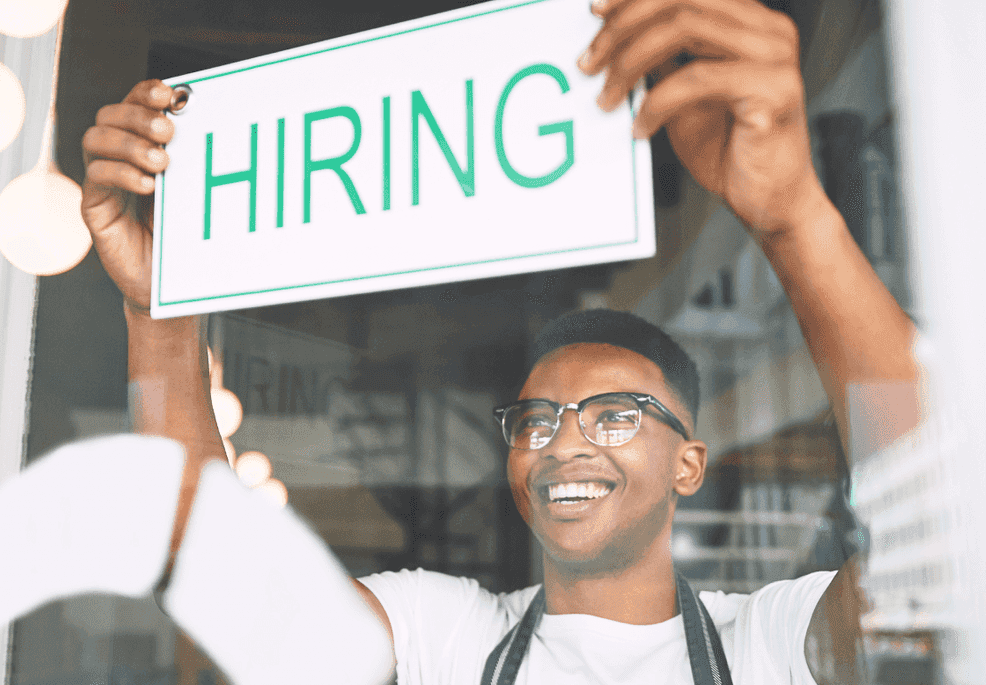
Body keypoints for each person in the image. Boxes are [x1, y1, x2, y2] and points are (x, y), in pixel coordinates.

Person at [78, 0, 918, 682]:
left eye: (617, 415)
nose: (564, 444)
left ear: (688, 463)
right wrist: (162, 314)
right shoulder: (447, 634)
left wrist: (794, 218)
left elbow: (933, 529)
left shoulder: (763, 644)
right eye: (536, 420)